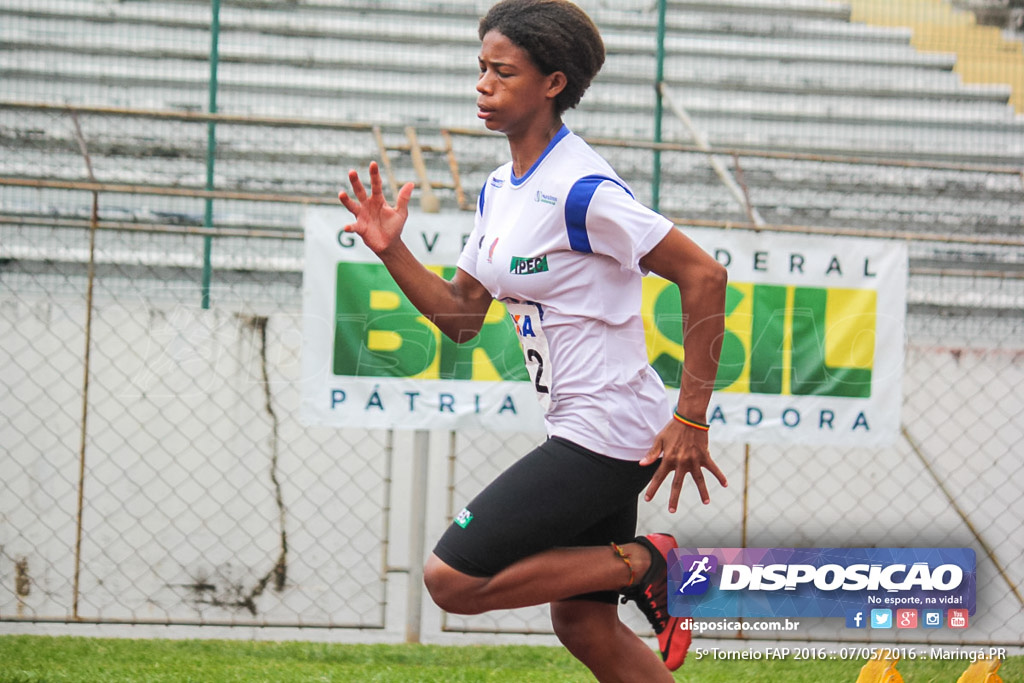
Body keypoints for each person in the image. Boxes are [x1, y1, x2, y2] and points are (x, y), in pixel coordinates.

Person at [338, 1, 728, 679]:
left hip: (607, 430)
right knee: (583, 622)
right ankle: (643, 568)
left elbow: (704, 275)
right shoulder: (499, 189)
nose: (483, 85)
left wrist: (691, 416)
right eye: (481, 69)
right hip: (585, 427)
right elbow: (462, 315)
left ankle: (650, 561)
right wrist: (392, 249)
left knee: (451, 578)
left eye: (503, 72)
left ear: (552, 84)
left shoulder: (580, 188)